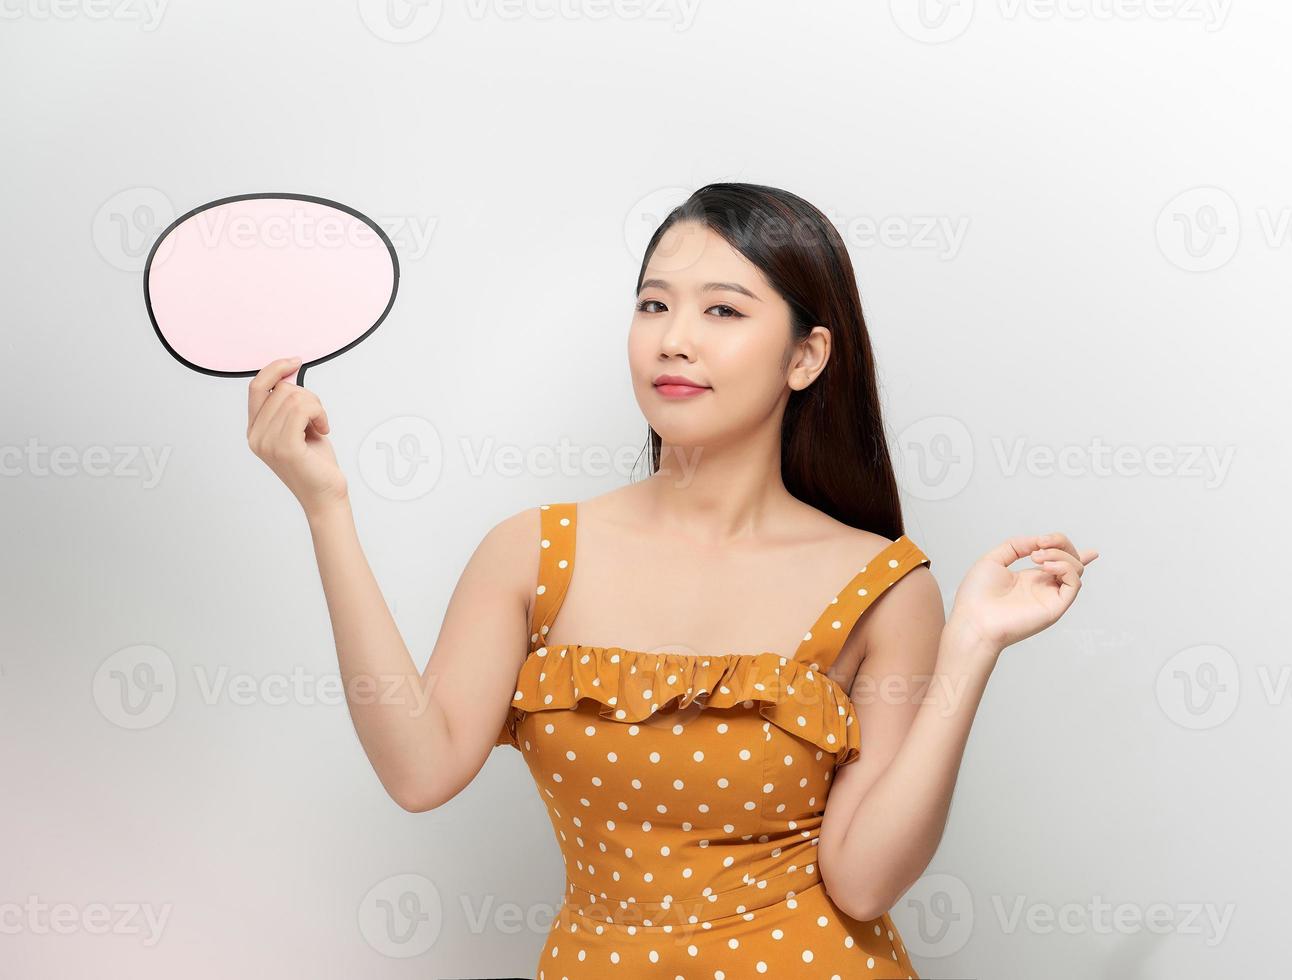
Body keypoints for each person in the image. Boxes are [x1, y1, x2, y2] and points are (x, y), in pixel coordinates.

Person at [246, 182, 1098, 977]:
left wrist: (970, 648)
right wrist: (326, 509)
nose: (672, 338)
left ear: (805, 357)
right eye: (653, 304)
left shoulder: (882, 584)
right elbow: (418, 770)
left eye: (722, 310)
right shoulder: (532, 552)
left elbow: (863, 884)